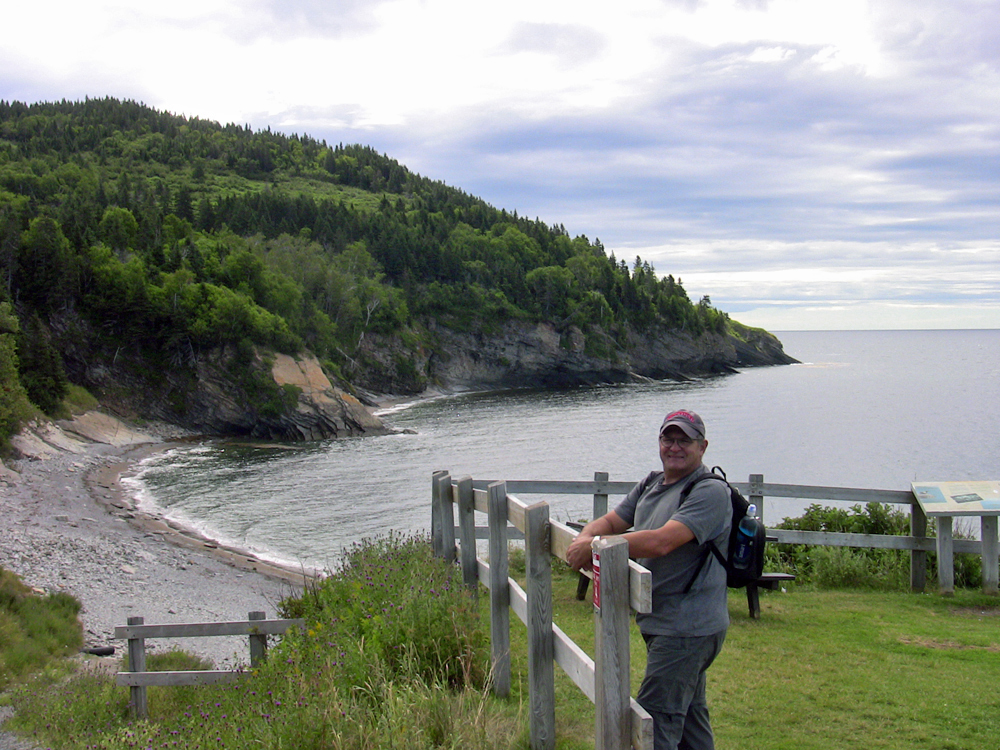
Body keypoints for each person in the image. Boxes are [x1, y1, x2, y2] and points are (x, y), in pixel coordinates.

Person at [566, 408, 731, 750]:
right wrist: (587, 537)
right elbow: (612, 522)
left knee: (653, 728)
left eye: (685, 440)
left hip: (688, 629)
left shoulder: (709, 492)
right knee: (690, 726)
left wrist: (596, 547)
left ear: (703, 446)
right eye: (668, 438)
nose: (675, 446)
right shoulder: (651, 483)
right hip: (666, 624)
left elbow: (662, 541)